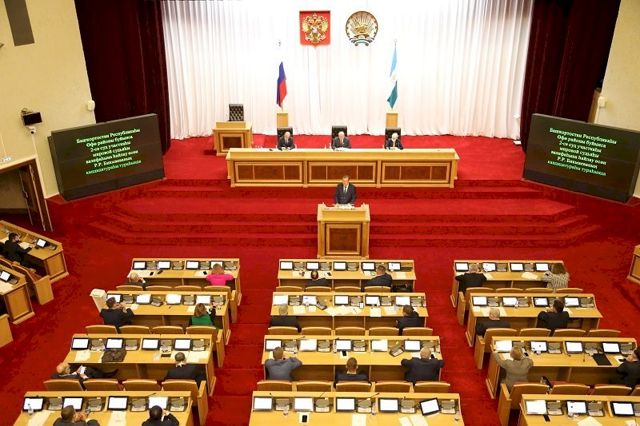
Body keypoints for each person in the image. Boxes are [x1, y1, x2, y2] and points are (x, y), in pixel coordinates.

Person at [51, 362, 116, 386]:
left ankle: (102, 373)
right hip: (82, 383)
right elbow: (87, 382)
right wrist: (83, 376)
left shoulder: (54, 376)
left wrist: (75, 373)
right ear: (66, 371)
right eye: (68, 368)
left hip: (74, 377)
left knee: (86, 368)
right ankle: (104, 375)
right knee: (90, 370)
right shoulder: (75, 379)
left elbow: (67, 376)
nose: (70, 367)